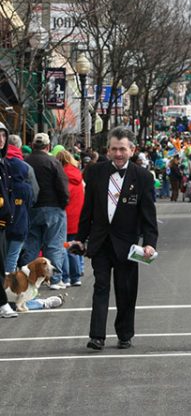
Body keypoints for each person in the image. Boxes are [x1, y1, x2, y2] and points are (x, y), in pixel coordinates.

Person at [74, 127, 158, 351]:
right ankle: (97, 336)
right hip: (101, 241)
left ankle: (124, 334)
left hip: (128, 245)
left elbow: (149, 215)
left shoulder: (143, 177)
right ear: (108, 150)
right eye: (114, 149)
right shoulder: (94, 172)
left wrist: (149, 242)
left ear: (132, 150)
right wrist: (81, 238)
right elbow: (87, 210)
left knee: (126, 290)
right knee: (100, 287)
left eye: (122, 149)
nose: (118, 153)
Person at [22, 133, 69, 289]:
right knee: (54, 244)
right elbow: (62, 186)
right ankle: (54, 280)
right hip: (53, 207)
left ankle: (28, 278)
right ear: (48, 146)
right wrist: (64, 203)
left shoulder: (25, 161)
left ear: (33, 145)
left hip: (32, 209)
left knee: (32, 244)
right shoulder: (53, 162)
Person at [5, 134, 38, 273]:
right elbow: (34, 196)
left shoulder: (3, 164)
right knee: (13, 257)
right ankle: (9, 286)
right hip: (20, 222)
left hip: (4, 223)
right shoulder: (26, 168)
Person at [56, 150, 84, 287]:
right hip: (77, 216)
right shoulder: (78, 176)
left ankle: (66, 277)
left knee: (63, 247)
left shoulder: (62, 177)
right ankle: (76, 276)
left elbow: (62, 197)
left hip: (65, 215)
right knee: (73, 247)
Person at [0, 123, 17, 317]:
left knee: (1, 263)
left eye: (4, 136)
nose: (1, 139)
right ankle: (2, 303)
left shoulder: (4, 163)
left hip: (3, 222)